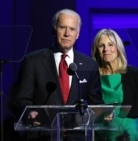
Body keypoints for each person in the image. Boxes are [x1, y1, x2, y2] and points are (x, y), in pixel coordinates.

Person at [10, 8, 103, 141]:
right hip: (43, 136)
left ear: (77, 34)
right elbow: (20, 100)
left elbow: (96, 104)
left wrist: (104, 114)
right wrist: (30, 113)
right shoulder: (33, 61)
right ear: (54, 29)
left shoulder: (89, 64)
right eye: (62, 27)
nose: (67, 33)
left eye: (72, 29)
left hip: (77, 137)